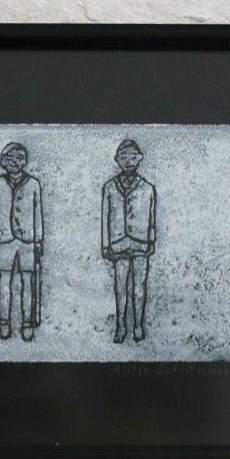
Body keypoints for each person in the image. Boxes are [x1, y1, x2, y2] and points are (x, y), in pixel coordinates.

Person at [0, 142, 43, 341]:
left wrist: (38, 238)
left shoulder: (33, 184)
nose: (14, 162)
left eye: (19, 158)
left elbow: (37, 211)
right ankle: (4, 322)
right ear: (3, 161)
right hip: (4, 239)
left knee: (28, 282)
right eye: (9, 158)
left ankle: (27, 322)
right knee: (3, 282)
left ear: (25, 161)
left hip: (27, 240)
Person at [101, 139, 156, 343]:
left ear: (140, 158)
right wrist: (105, 244)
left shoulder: (148, 188)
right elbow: (105, 216)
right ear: (117, 159)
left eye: (133, 157)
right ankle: (121, 326)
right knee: (120, 287)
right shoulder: (109, 187)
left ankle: (138, 326)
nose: (128, 161)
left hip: (140, 241)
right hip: (118, 242)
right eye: (124, 157)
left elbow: (152, 217)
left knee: (139, 288)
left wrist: (151, 241)